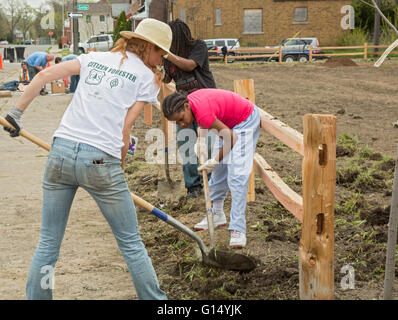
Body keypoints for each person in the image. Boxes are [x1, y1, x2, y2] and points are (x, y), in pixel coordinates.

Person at [2, 18, 171, 300]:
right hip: (100, 161)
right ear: (149, 47)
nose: (161, 59)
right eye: (161, 53)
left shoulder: (94, 58)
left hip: (60, 153)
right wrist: (120, 166)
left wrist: (14, 115)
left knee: (48, 244)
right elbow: (125, 130)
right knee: (131, 243)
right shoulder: (146, 78)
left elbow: (43, 77)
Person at [162, 89, 261, 248]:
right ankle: (216, 214)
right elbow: (205, 122)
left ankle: (238, 228)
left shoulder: (201, 112)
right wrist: (200, 141)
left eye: (181, 119)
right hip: (228, 124)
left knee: (237, 175)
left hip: (245, 120)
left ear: (186, 106)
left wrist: (214, 160)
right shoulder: (192, 106)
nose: (182, 124)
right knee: (219, 172)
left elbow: (230, 138)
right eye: (177, 123)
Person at [163, 19, 216, 199]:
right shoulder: (168, 57)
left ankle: (210, 183)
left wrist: (167, 54)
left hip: (205, 104)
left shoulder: (198, 47)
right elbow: (167, 79)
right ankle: (193, 187)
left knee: (207, 146)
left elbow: (190, 65)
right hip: (183, 107)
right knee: (186, 146)